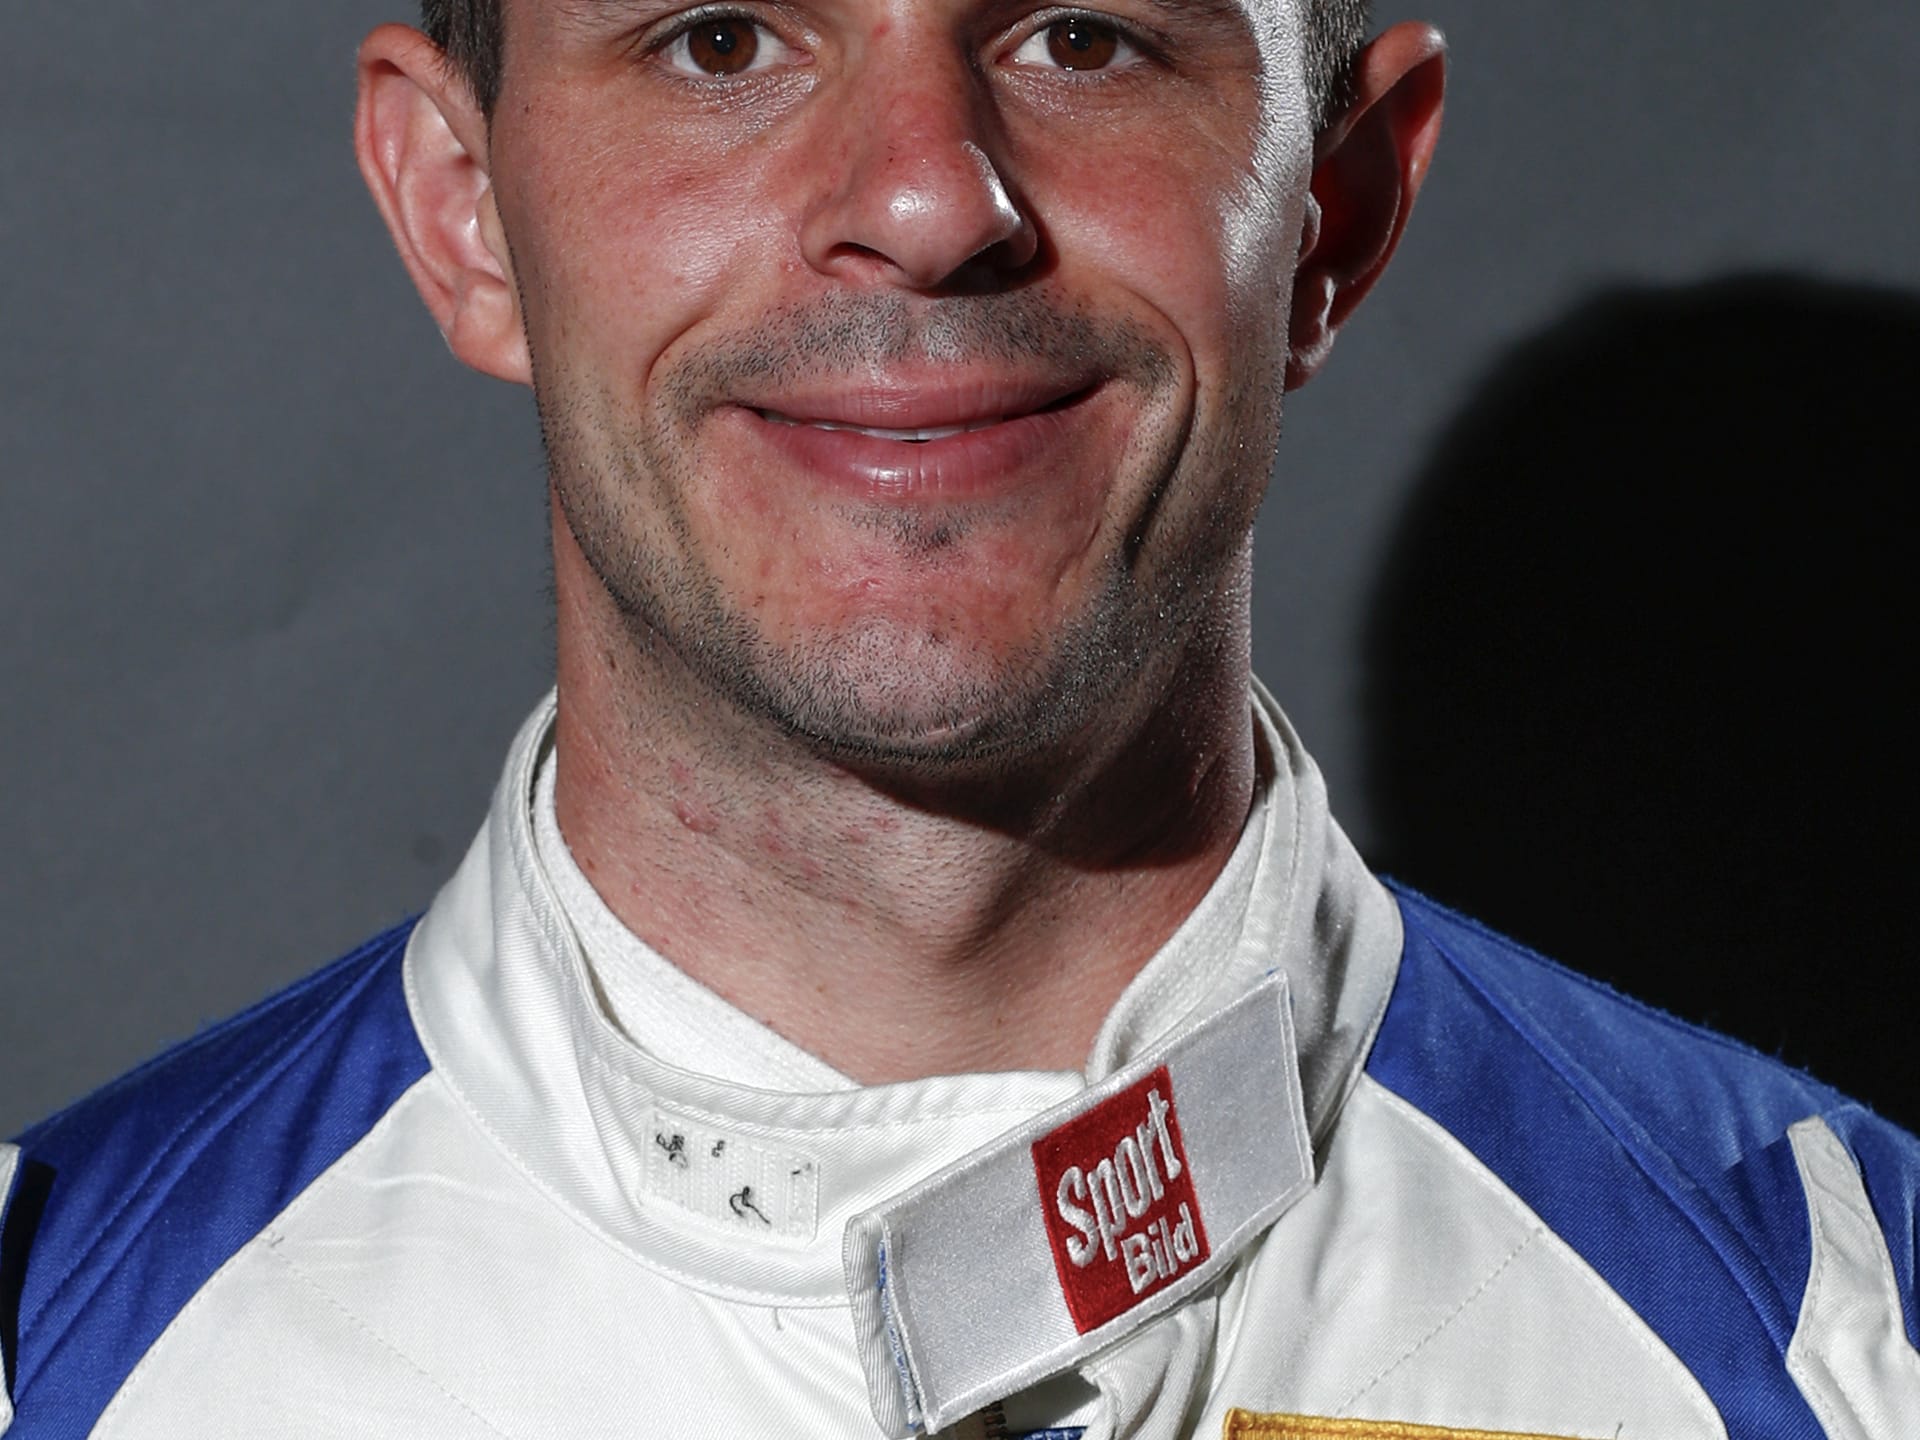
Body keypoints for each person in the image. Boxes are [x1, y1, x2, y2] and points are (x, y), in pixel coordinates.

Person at [1, 0, 1913, 1435]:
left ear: (1333, 209)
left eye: (1085, 37)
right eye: (721, 39)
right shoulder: (49, 1354)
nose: (925, 200)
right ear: (466, 206)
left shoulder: (1849, 1331)